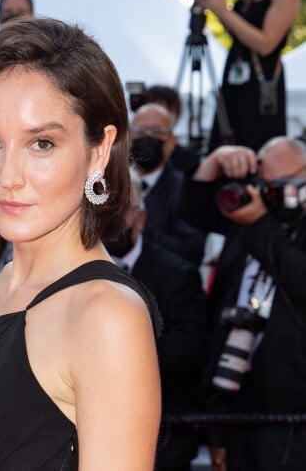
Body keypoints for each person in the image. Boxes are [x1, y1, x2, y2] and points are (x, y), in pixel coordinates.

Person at [0, 17, 162, 470]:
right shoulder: (3, 287)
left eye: (41, 143)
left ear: (99, 152)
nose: (6, 177)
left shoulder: (106, 315)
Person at [178, 136, 306, 470]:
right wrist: (215, 160)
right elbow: (192, 209)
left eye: (277, 185)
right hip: (235, 398)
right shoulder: (249, 219)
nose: (265, 194)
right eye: (260, 183)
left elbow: (299, 278)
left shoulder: (262, 223)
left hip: (292, 412)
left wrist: (261, 223)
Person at [106, 170, 208, 471]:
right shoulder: (68, 274)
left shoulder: (177, 274)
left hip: (160, 437)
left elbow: (192, 346)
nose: (107, 227)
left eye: (117, 215)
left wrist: (120, 355)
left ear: (140, 218)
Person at [196, 0, 301, 152]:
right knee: (224, 144)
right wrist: (215, 6)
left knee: (255, 149)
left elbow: (266, 43)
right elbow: (237, 31)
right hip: (235, 77)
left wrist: (224, 12)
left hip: (260, 85)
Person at [130, 103, 207, 267]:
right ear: (128, 137)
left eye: (157, 131)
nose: (148, 136)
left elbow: (191, 250)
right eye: (140, 131)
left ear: (172, 142)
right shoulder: (106, 181)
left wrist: (138, 229)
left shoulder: (185, 190)